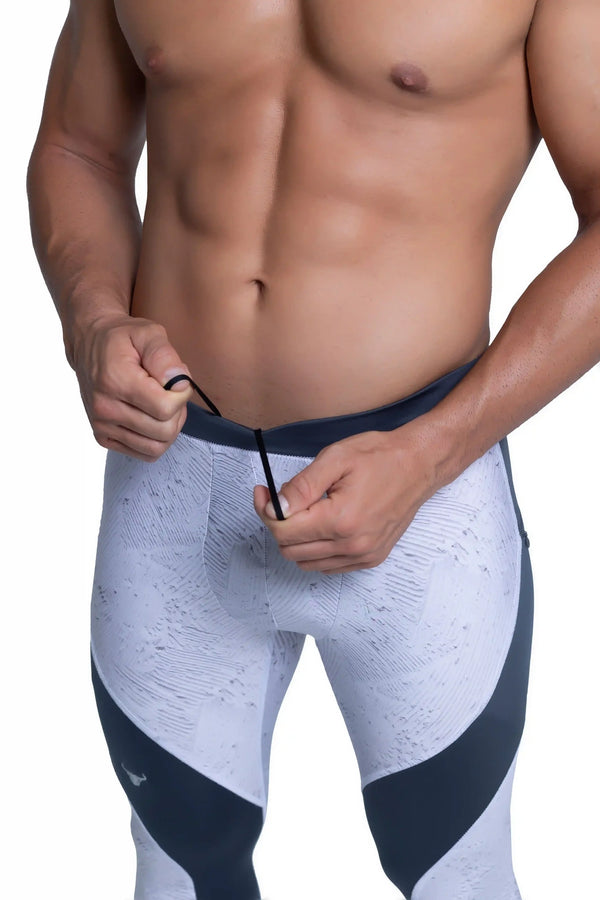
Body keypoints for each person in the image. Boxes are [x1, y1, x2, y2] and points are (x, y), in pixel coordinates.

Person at [26, 0, 599, 897]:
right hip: (173, 479)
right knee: (176, 874)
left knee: (460, 879)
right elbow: (78, 148)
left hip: (426, 496)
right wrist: (93, 320)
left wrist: (431, 453)